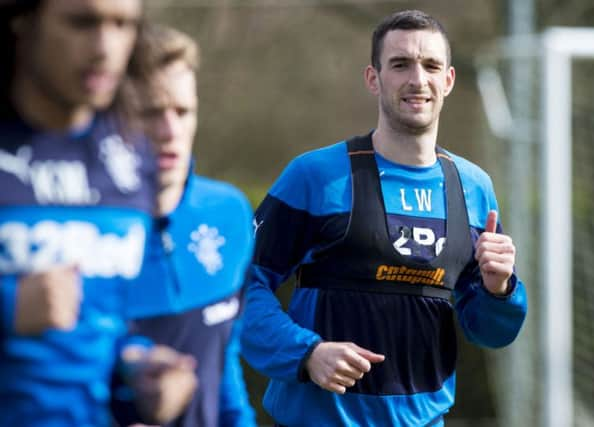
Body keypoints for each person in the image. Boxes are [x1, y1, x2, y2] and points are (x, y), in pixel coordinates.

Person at [241, 9, 527, 427]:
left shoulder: (474, 187)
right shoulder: (316, 176)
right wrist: (306, 353)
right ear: (373, 78)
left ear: (447, 80)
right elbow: (240, 286)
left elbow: (490, 332)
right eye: (400, 64)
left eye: (431, 65)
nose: (417, 79)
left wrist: (500, 289)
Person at [0, 1, 196, 426]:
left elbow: (102, 327)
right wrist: (11, 305)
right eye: (81, 22)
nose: (105, 46)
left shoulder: (129, 160)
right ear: (24, 22)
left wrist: (138, 375)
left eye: (122, 24)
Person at [110, 24, 256, 427]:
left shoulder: (229, 212)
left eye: (182, 111)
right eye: (150, 113)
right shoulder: (84, 230)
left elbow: (224, 361)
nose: (170, 132)